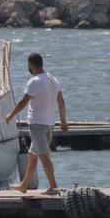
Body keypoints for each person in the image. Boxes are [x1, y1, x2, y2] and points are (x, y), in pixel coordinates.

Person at [4, 52, 67, 195]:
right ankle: (24, 185)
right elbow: (61, 101)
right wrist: (63, 120)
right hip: (50, 124)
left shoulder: (35, 81)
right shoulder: (53, 79)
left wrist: (10, 115)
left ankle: (53, 187)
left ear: (31, 65)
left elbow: (23, 102)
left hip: (37, 125)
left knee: (44, 156)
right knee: (32, 156)